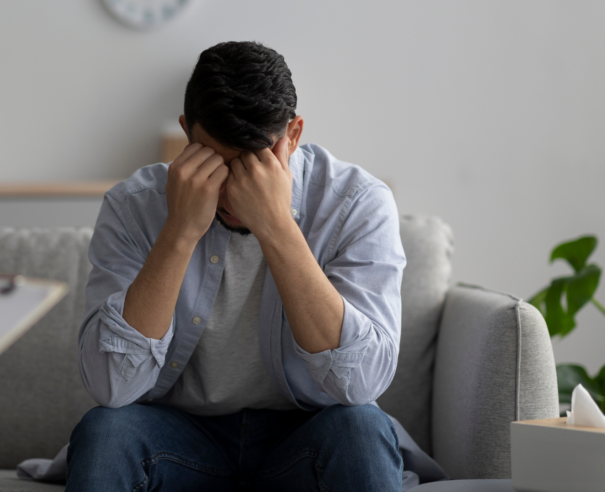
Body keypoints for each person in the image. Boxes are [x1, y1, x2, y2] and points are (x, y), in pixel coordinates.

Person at [67, 41, 444, 491]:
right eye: (217, 163)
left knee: (361, 430)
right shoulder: (133, 206)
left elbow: (360, 384)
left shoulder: (357, 202)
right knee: (103, 432)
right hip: (177, 435)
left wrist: (277, 227)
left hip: (307, 433)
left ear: (294, 135)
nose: (234, 191)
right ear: (188, 134)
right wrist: (180, 231)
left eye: (256, 162)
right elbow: (111, 387)